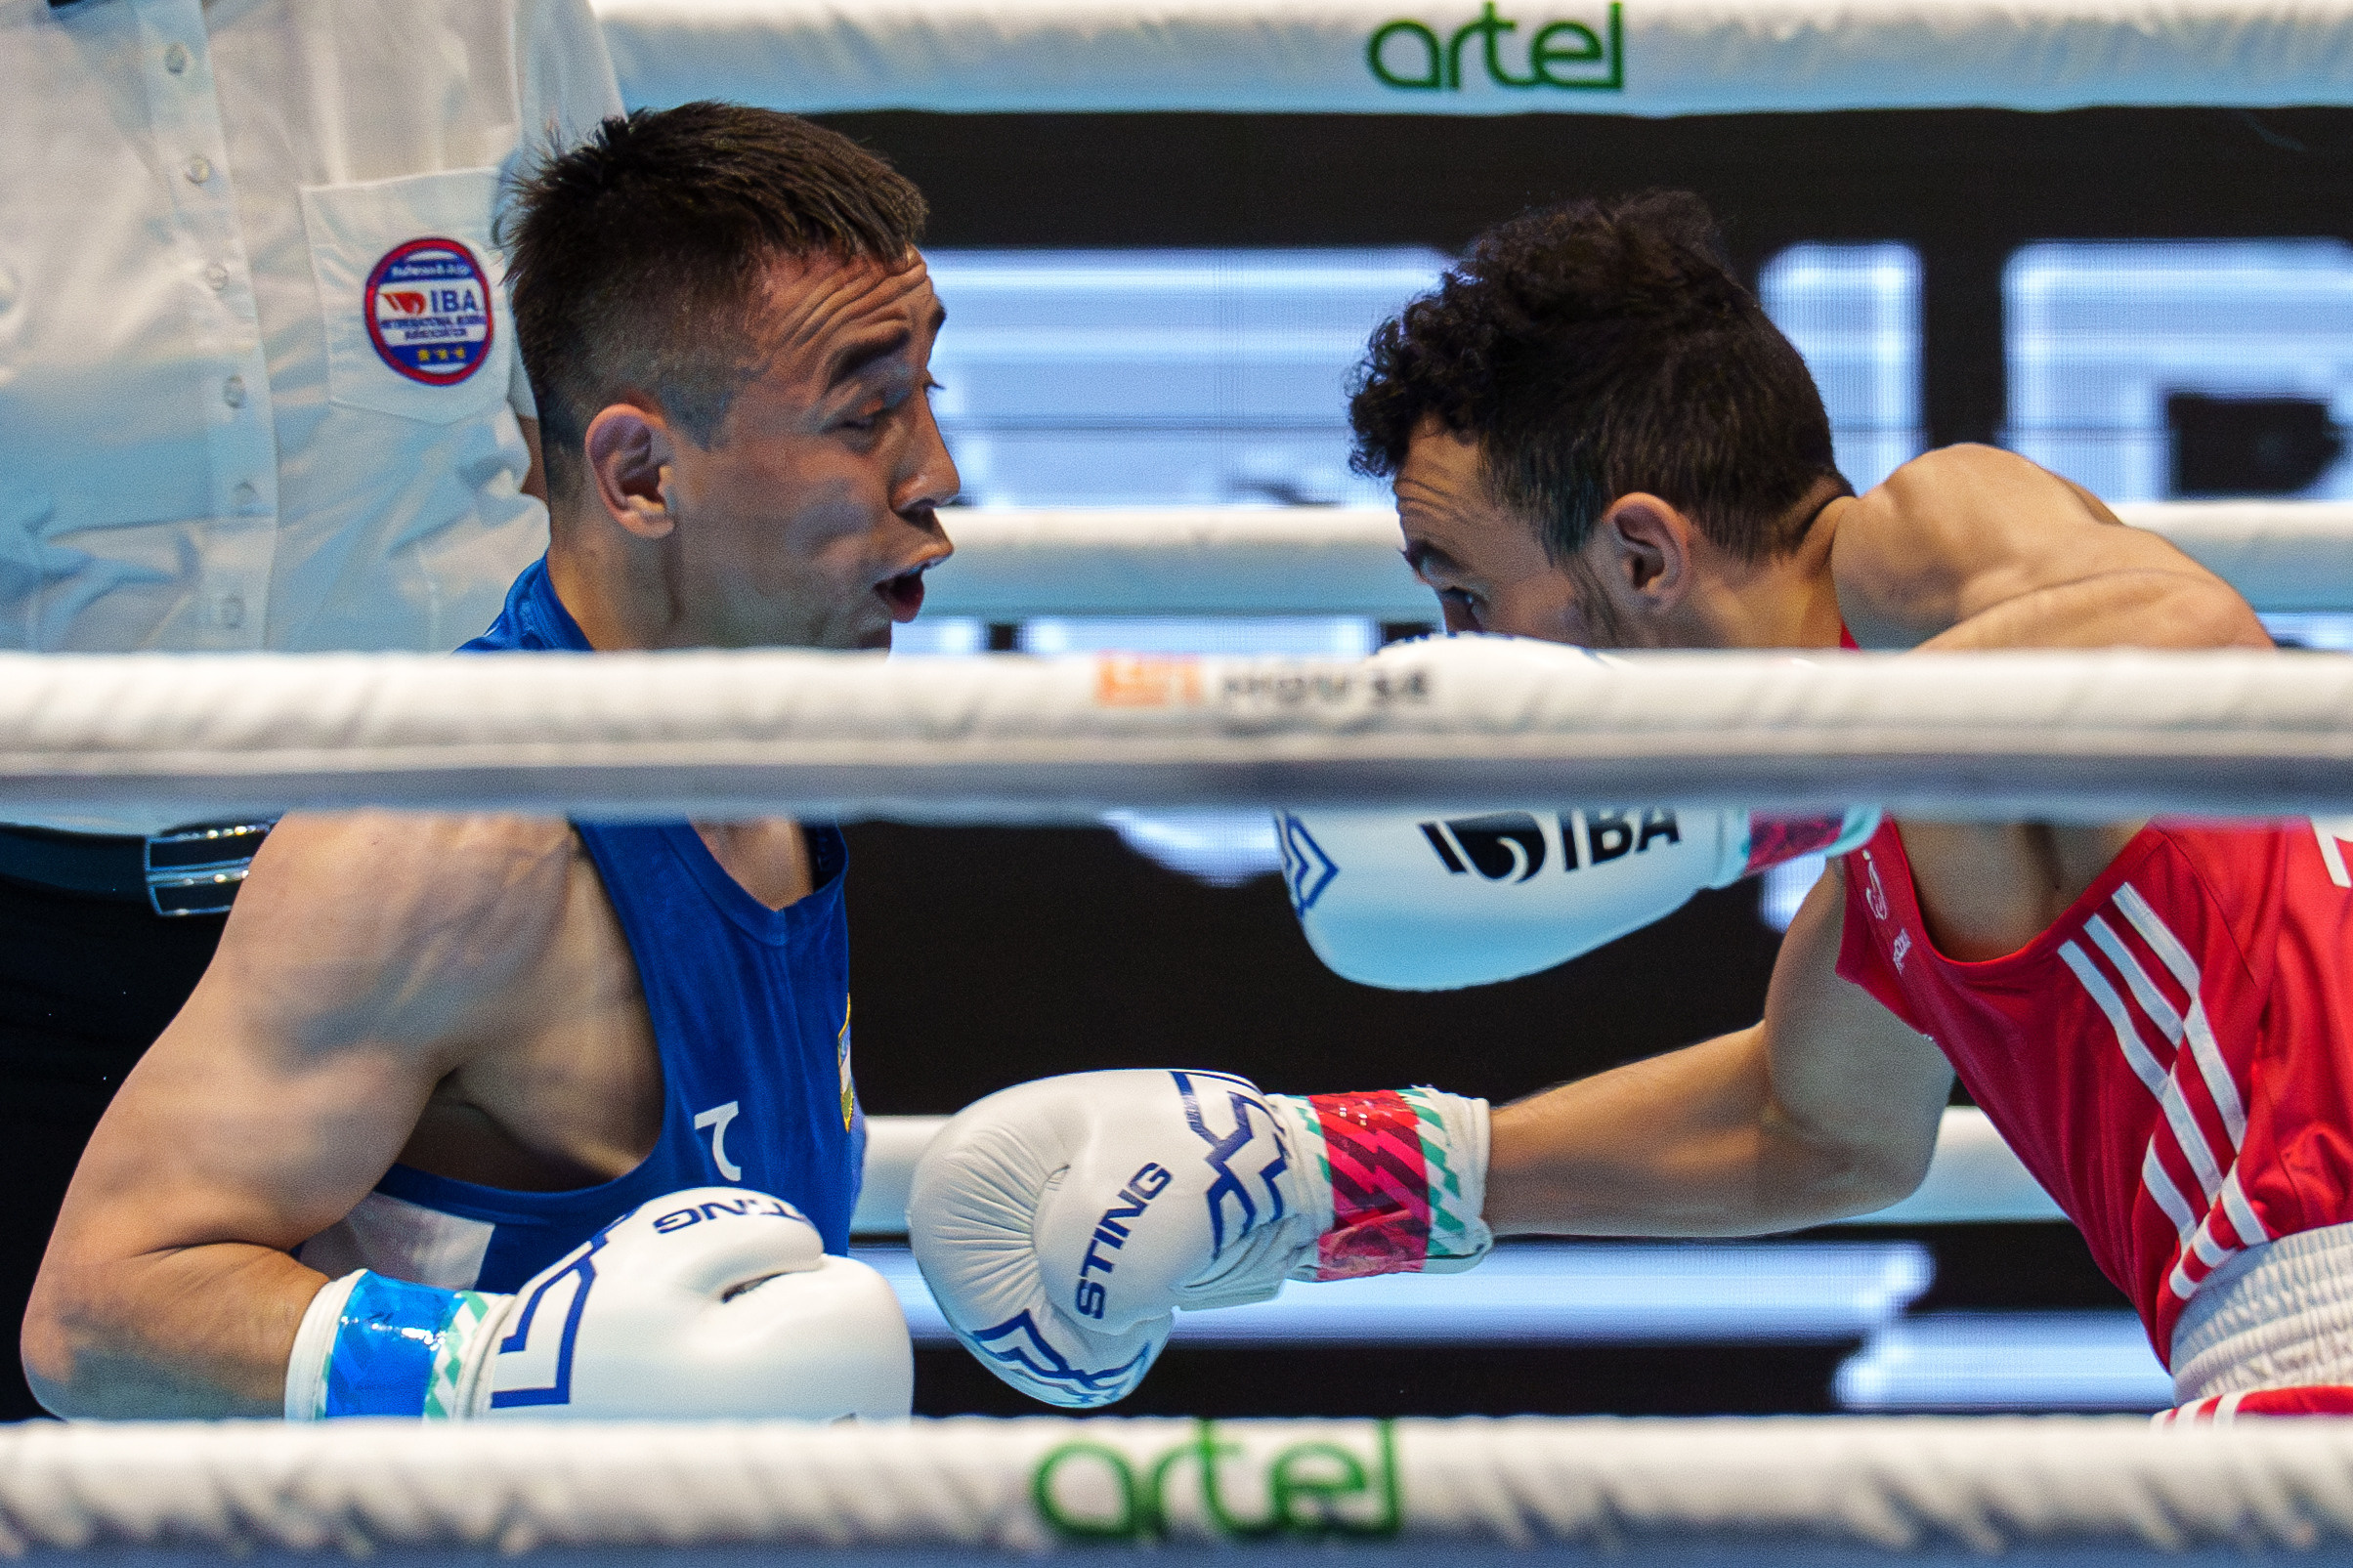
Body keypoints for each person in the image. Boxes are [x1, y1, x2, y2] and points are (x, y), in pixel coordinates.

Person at [906, 191, 2332, 1423]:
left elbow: (2184, 641)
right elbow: (1813, 1124)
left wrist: (1786, 779)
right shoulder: (1906, 827)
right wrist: (1334, 1178)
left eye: (1468, 593)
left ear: (1644, 556)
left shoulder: (1923, 539)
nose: (1460, 656)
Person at [22, 104, 958, 1420]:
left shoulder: (761, 750)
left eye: (928, 394)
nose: (939, 473)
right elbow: (97, 1313)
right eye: (867, 415)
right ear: (639, 474)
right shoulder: (443, 843)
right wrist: (488, 1363)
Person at [0, 0, 620, 1420]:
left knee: (498, 1464)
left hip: (438, 927)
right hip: (32, 933)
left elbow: (602, 419)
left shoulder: (474, 18)